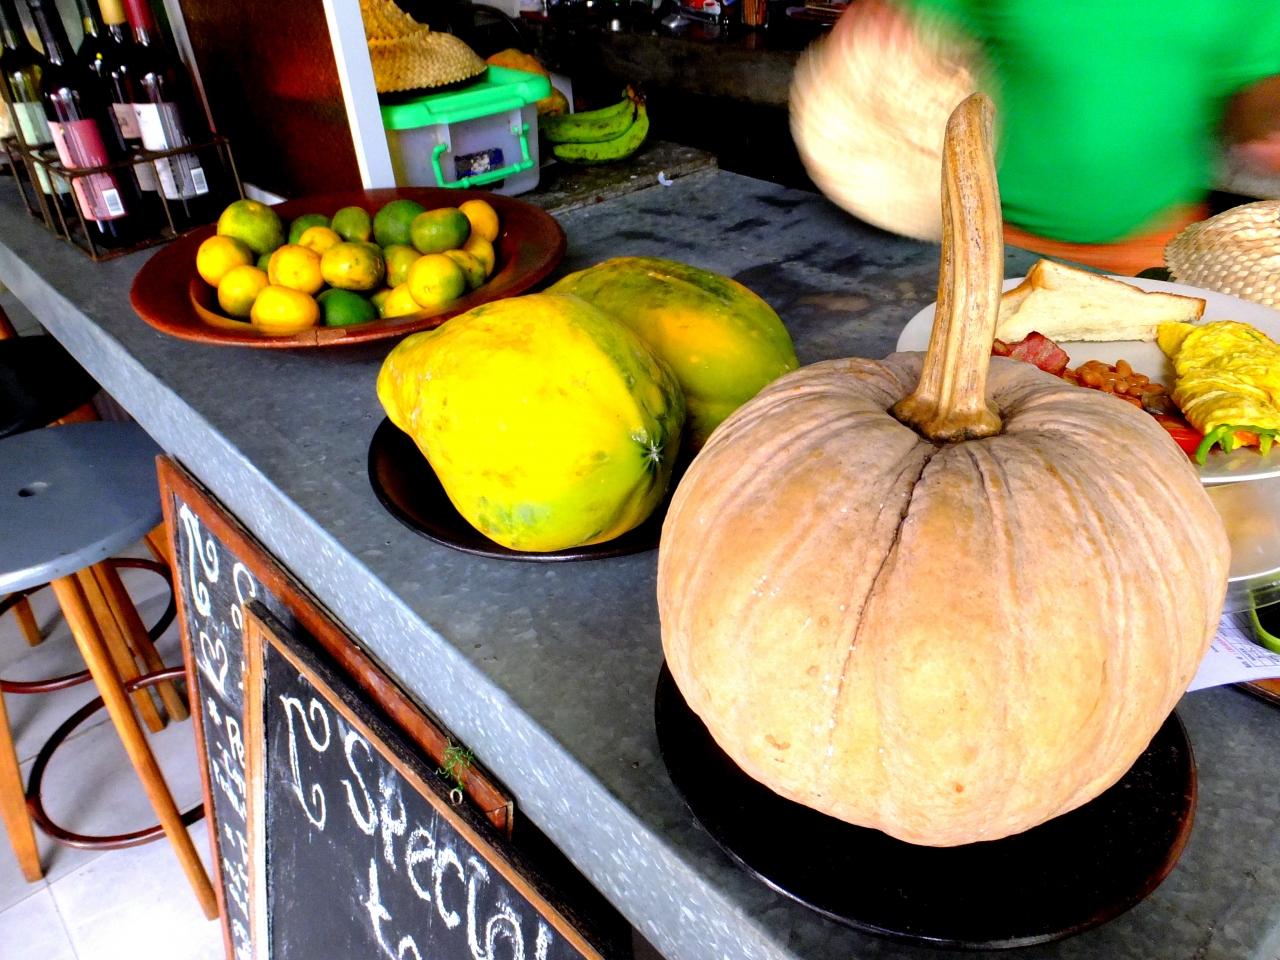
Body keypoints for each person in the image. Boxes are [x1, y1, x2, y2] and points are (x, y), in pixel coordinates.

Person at [902, 0, 1280, 275]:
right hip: (990, 239)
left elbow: (1257, 75)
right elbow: (913, 38)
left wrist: (1267, 122)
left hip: (1154, 250)